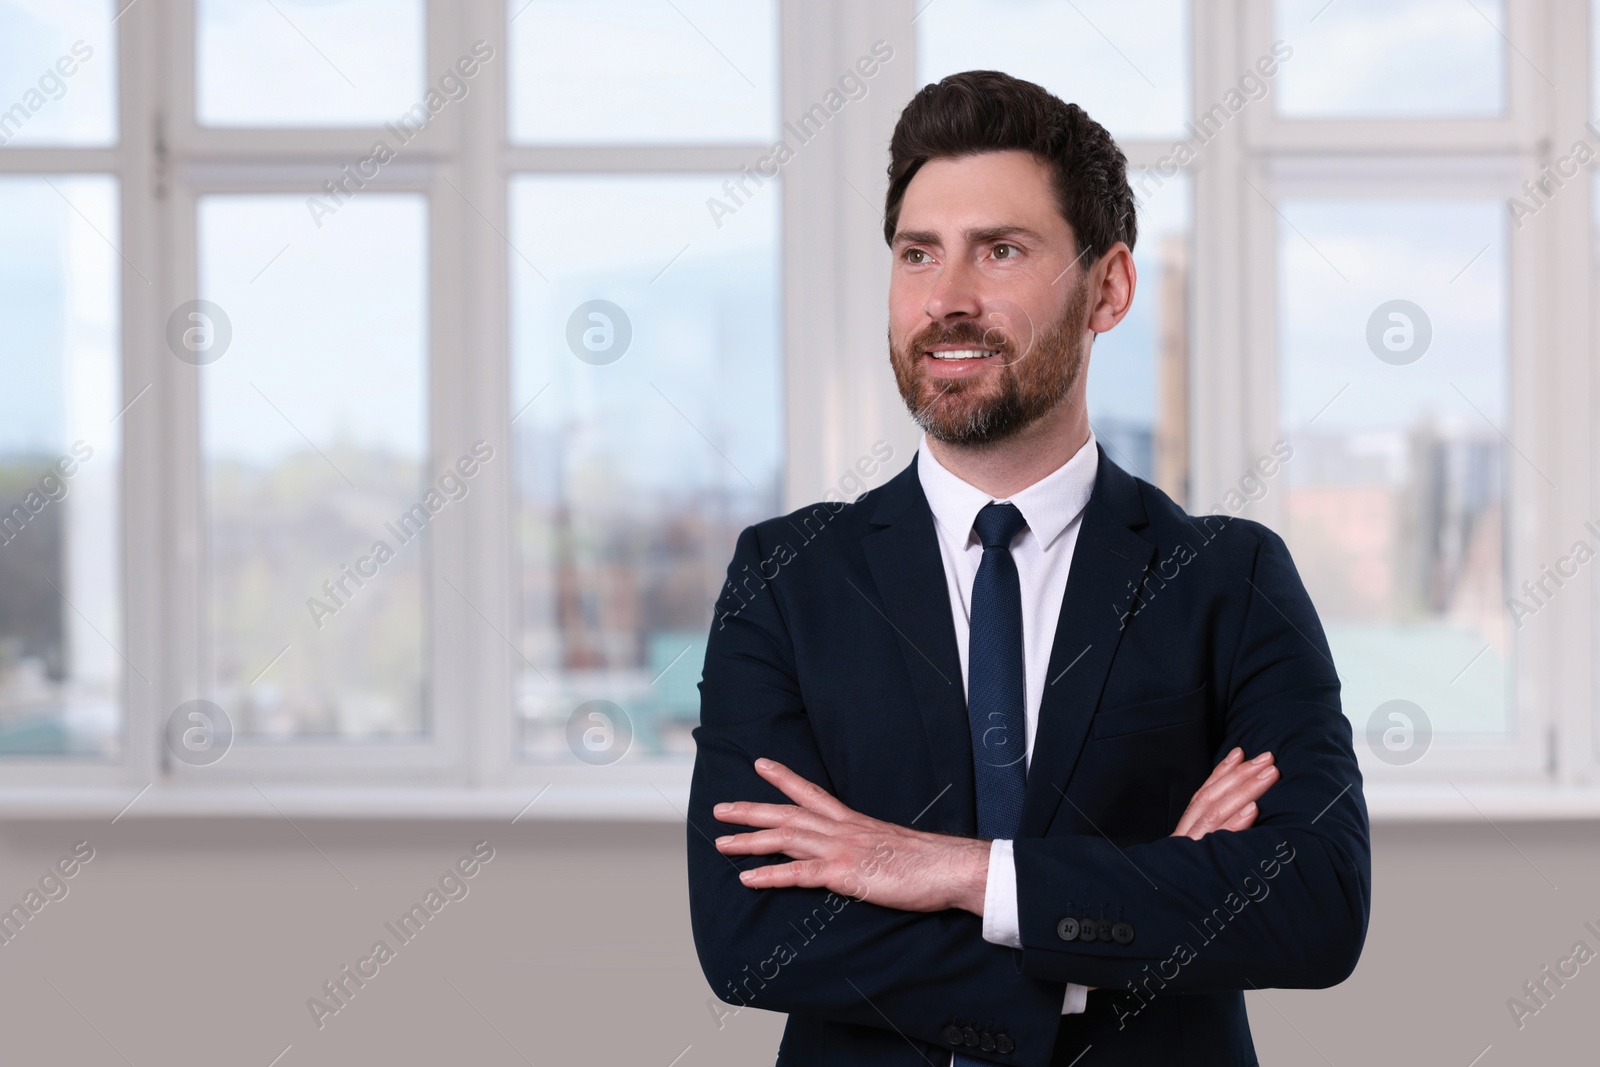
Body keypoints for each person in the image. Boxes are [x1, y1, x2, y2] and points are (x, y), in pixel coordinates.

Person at [687, 70, 1369, 1067]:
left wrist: (963, 872)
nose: (947, 298)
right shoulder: (787, 577)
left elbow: (1312, 907)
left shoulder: (1230, 577)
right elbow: (751, 938)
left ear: (1109, 287)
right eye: (918, 253)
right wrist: (1129, 911)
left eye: (999, 250)